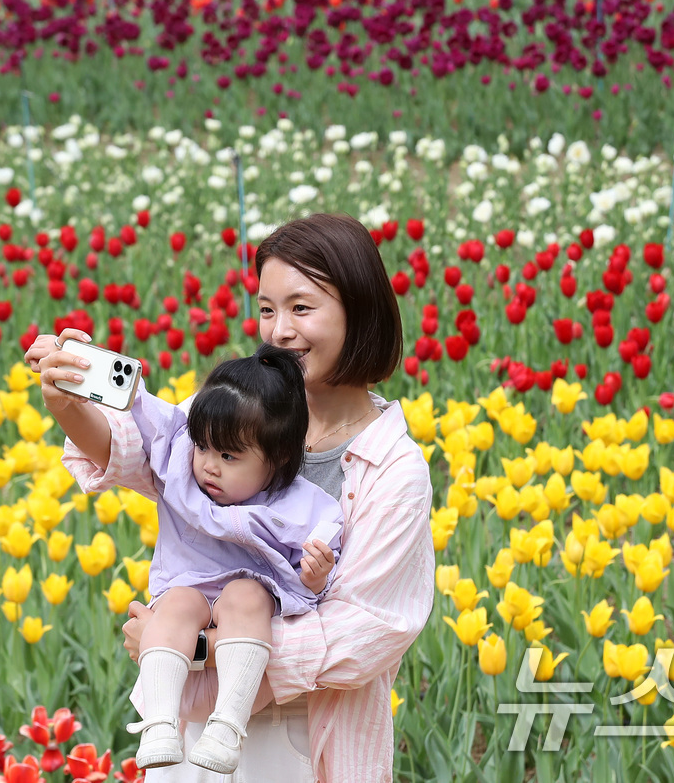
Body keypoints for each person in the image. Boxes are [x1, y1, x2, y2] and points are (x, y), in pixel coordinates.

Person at [27, 212, 435, 783]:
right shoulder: (243, 414)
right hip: (192, 737)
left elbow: (366, 635)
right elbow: (148, 456)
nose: (279, 331)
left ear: (359, 310)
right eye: (267, 309)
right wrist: (69, 406)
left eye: (301, 307)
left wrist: (197, 647)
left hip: (307, 742)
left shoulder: (391, 469)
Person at [37, 341, 344, 772]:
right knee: (178, 601)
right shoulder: (183, 464)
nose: (208, 466)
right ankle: (159, 722)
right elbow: (152, 416)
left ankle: (227, 727)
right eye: (202, 447)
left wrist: (315, 575)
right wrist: (76, 371)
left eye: (229, 456)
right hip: (186, 621)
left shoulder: (296, 506)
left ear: (278, 459)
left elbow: (322, 572)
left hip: (245, 645)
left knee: (247, 595)